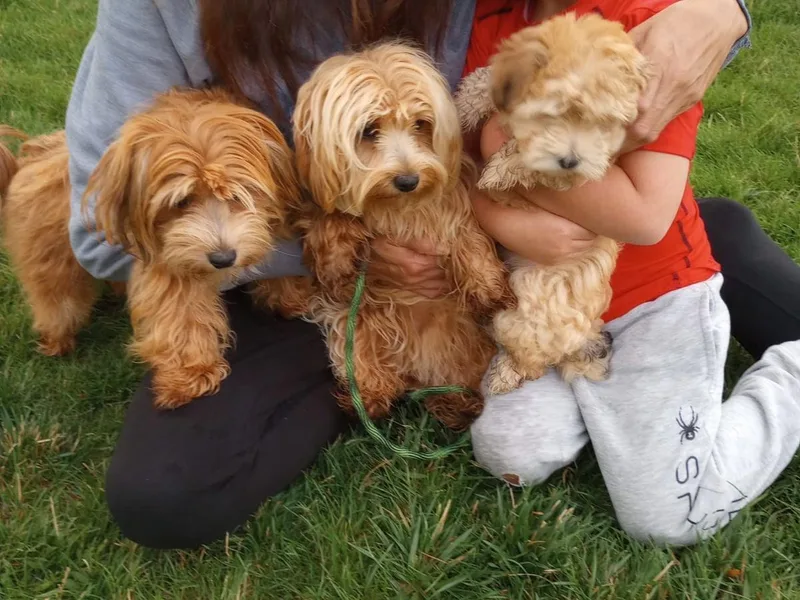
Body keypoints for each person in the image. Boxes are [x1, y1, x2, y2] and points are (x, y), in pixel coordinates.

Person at [64, 0, 771, 549]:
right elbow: (99, 237)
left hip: (489, 215)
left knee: (605, 249)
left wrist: (724, 9)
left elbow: (594, 27)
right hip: (285, 274)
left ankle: (701, 238)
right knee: (166, 495)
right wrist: (325, 250)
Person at [466, 0, 800, 545]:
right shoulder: (483, 24)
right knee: (510, 455)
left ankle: (792, 375)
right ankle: (616, 411)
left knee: (667, 521)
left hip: (657, 298)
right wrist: (494, 212)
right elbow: (465, 166)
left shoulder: (646, 27)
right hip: (549, 299)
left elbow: (644, 217)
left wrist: (506, 158)